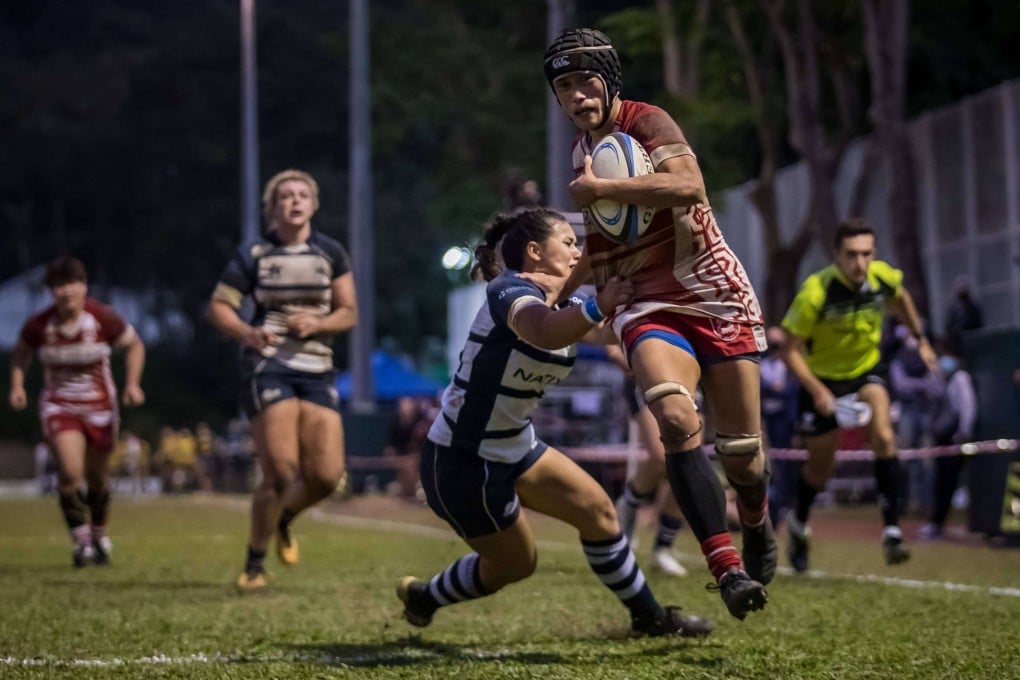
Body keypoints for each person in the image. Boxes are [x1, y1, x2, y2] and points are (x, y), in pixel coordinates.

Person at [542, 28, 773, 620]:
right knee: (673, 415)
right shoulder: (582, 153)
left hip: (711, 290)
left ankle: (757, 522)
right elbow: (599, 245)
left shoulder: (647, 123)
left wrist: (602, 188)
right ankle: (726, 570)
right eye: (562, 86)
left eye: (583, 80)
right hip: (645, 300)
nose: (574, 95)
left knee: (744, 453)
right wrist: (554, 297)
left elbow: (689, 185)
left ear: (609, 80)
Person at [396, 208, 713, 638]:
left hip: (516, 446)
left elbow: (601, 331)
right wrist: (600, 299)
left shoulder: (563, 304)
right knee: (516, 565)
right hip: (462, 462)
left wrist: (657, 307)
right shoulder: (507, 291)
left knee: (600, 512)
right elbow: (545, 331)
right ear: (534, 251)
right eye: (568, 242)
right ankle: (425, 597)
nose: (576, 251)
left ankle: (650, 618)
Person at [207, 168, 357, 591]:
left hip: (316, 368)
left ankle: (285, 518)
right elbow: (220, 307)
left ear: (313, 204)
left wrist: (319, 321)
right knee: (279, 469)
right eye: (286, 195)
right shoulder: (254, 254)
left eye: (302, 194)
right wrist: (246, 331)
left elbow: (349, 312)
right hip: (268, 364)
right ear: (272, 206)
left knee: (327, 477)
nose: (294, 201)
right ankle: (254, 564)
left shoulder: (330, 253)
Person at [780, 217, 938, 572]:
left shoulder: (882, 277)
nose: (860, 264)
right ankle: (799, 523)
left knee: (884, 435)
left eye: (866, 254)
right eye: (851, 255)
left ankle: (893, 530)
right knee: (820, 468)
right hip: (822, 381)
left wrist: (922, 339)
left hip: (866, 373)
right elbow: (790, 349)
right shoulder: (815, 293)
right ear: (836, 255)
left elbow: (903, 298)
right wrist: (817, 390)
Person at [8, 255, 146, 567]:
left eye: (71, 283)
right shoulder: (39, 325)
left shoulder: (103, 319)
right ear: (51, 291)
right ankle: (80, 541)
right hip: (60, 406)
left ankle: (99, 532)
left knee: (98, 479)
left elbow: (135, 345)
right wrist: (17, 387)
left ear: (83, 286)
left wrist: (132, 384)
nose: (66, 291)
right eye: (58, 285)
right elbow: (20, 354)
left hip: (100, 406)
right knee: (70, 473)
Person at [607, 347, 689, 577]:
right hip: (647, 373)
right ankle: (631, 503)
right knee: (662, 456)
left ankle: (663, 547)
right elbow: (606, 334)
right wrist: (626, 359)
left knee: (687, 463)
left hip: (687, 373)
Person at [918, 343, 978, 540]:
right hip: (940, 436)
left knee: (949, 481)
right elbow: (930, 396)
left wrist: (964, 432)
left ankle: (940, 522)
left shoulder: (960, 378)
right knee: (940, 481)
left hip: (956, 437)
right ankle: (936, 522)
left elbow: (968, 406)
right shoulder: (938, 377)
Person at [760, 326, 800, 528]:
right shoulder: (762, 366)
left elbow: (790, 395)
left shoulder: (788, 368)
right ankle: (767, 512)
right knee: (766, 468)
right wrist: (772, 390)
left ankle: (783, 511)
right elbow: (760, 391)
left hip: (784, 424)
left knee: (784, 469)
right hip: (765, 422)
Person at [943, 276, 983, 355]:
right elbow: (948, 326)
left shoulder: (974, 308)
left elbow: (979, 325)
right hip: (957, 345)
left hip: (973, 344)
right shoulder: (953, 309)